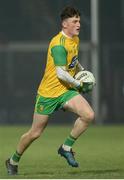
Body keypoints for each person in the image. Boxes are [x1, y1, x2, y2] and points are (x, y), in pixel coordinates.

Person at [5, 6, 95, 175]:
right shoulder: (58, 44)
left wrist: (83, 73)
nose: (78, 24)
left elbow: (73, 62)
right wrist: (79, 84)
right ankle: (12, 161)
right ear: (64, 24)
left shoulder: (74, 39)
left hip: (65, 91)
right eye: (75, 21)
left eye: (79, 21)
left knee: (88, 115)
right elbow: (61, 73)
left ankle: (65, 147)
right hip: (48, 94)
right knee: (35, 133)